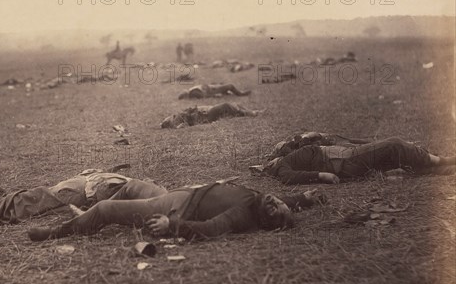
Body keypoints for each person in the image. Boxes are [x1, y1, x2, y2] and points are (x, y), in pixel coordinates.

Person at [28, 183, 326, 241]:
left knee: (106, 208)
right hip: (182, 191)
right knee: (131, 184)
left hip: (174, 206)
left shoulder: (243, 215)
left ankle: (59, 232)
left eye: (275, 208)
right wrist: (304, 197)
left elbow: (210, 228)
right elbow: (281, 201)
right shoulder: (264, 202)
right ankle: (86, 214)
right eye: (279, 202)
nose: (275, 201)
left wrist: (172, 226)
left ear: (266, 221)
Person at [0, 171, 167, 229]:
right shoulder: (157, 195)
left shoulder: (156, 200)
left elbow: (115, 202)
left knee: (32, 198)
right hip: (90, 184)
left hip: (86, 190)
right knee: (35, 198)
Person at [264, 137, 456, 184]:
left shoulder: (289, 156)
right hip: (344, 161)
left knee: (393, 158)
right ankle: (443, 161)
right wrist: (322, 175)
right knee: (394, 144)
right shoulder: (281, 167)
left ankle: (439, 170)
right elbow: (289, 177)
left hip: (344, 157)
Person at [266, 131, 370, 161]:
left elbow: (312, 134)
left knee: (351, 142)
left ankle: (372, 142)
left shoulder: (296, 141)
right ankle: (372, 143)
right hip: (327, 145)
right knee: (352, 145)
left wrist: (309, 136)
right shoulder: (294, 152)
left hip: (326, 140)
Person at [161, 103, 261, 129]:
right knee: (225, 105)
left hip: (207, 111)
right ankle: (250, 113)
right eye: (169, 119)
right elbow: (184, 124)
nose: (171, 116)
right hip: (206, 116)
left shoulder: (177, 116)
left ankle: (250, 111)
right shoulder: (177, 120)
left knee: (234, 105)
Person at [178, 84, 251, 100]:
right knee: (230, 86)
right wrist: (215, 96)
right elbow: (204, 96)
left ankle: (227, 93)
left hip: (212, 88)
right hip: (213, 91)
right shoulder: (193, 92)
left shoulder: (192, 91)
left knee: (225, 87)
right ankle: (241, 94)